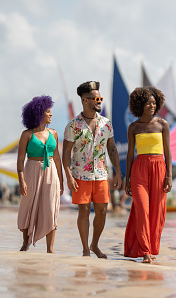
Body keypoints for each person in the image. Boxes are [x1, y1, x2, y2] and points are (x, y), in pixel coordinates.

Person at [63, 81, 123, 258]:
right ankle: (85, 249)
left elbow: (112, 149)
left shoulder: (106, 123)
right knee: (83, 211)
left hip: (102, 174)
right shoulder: (73, 125)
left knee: (103, 211)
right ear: (84, 100)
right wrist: (68, 176)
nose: (99, 101)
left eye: (100, 98)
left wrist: (118, 172)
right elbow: (66, 153)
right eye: (95, 98)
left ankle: (95, 244)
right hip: (80, 174)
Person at [124, 86, 172, 264]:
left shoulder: (162, 124)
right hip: (139, 169)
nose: (152, 106)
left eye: (154, 103)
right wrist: (127, 179)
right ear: (140, 105)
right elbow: (130, 154)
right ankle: (145, 252)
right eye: (148, 103)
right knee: (142, 210)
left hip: (159, 168)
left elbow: (168, 151)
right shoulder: (133, 127)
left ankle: (151, 249)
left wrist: (169, 176)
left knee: (157, 212)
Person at [17, 95, 64, 253]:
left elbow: (57, 158)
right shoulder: (27, 135)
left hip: (51, 173)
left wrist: (62, 181)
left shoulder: (54, 133)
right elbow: (20, 160)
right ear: (38, 114)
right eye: (48, 112)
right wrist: (21, 181)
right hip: (31, 171)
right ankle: (25, 243)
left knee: (51, 208)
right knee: (27, 207)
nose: (51, 114)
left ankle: (50, 248)